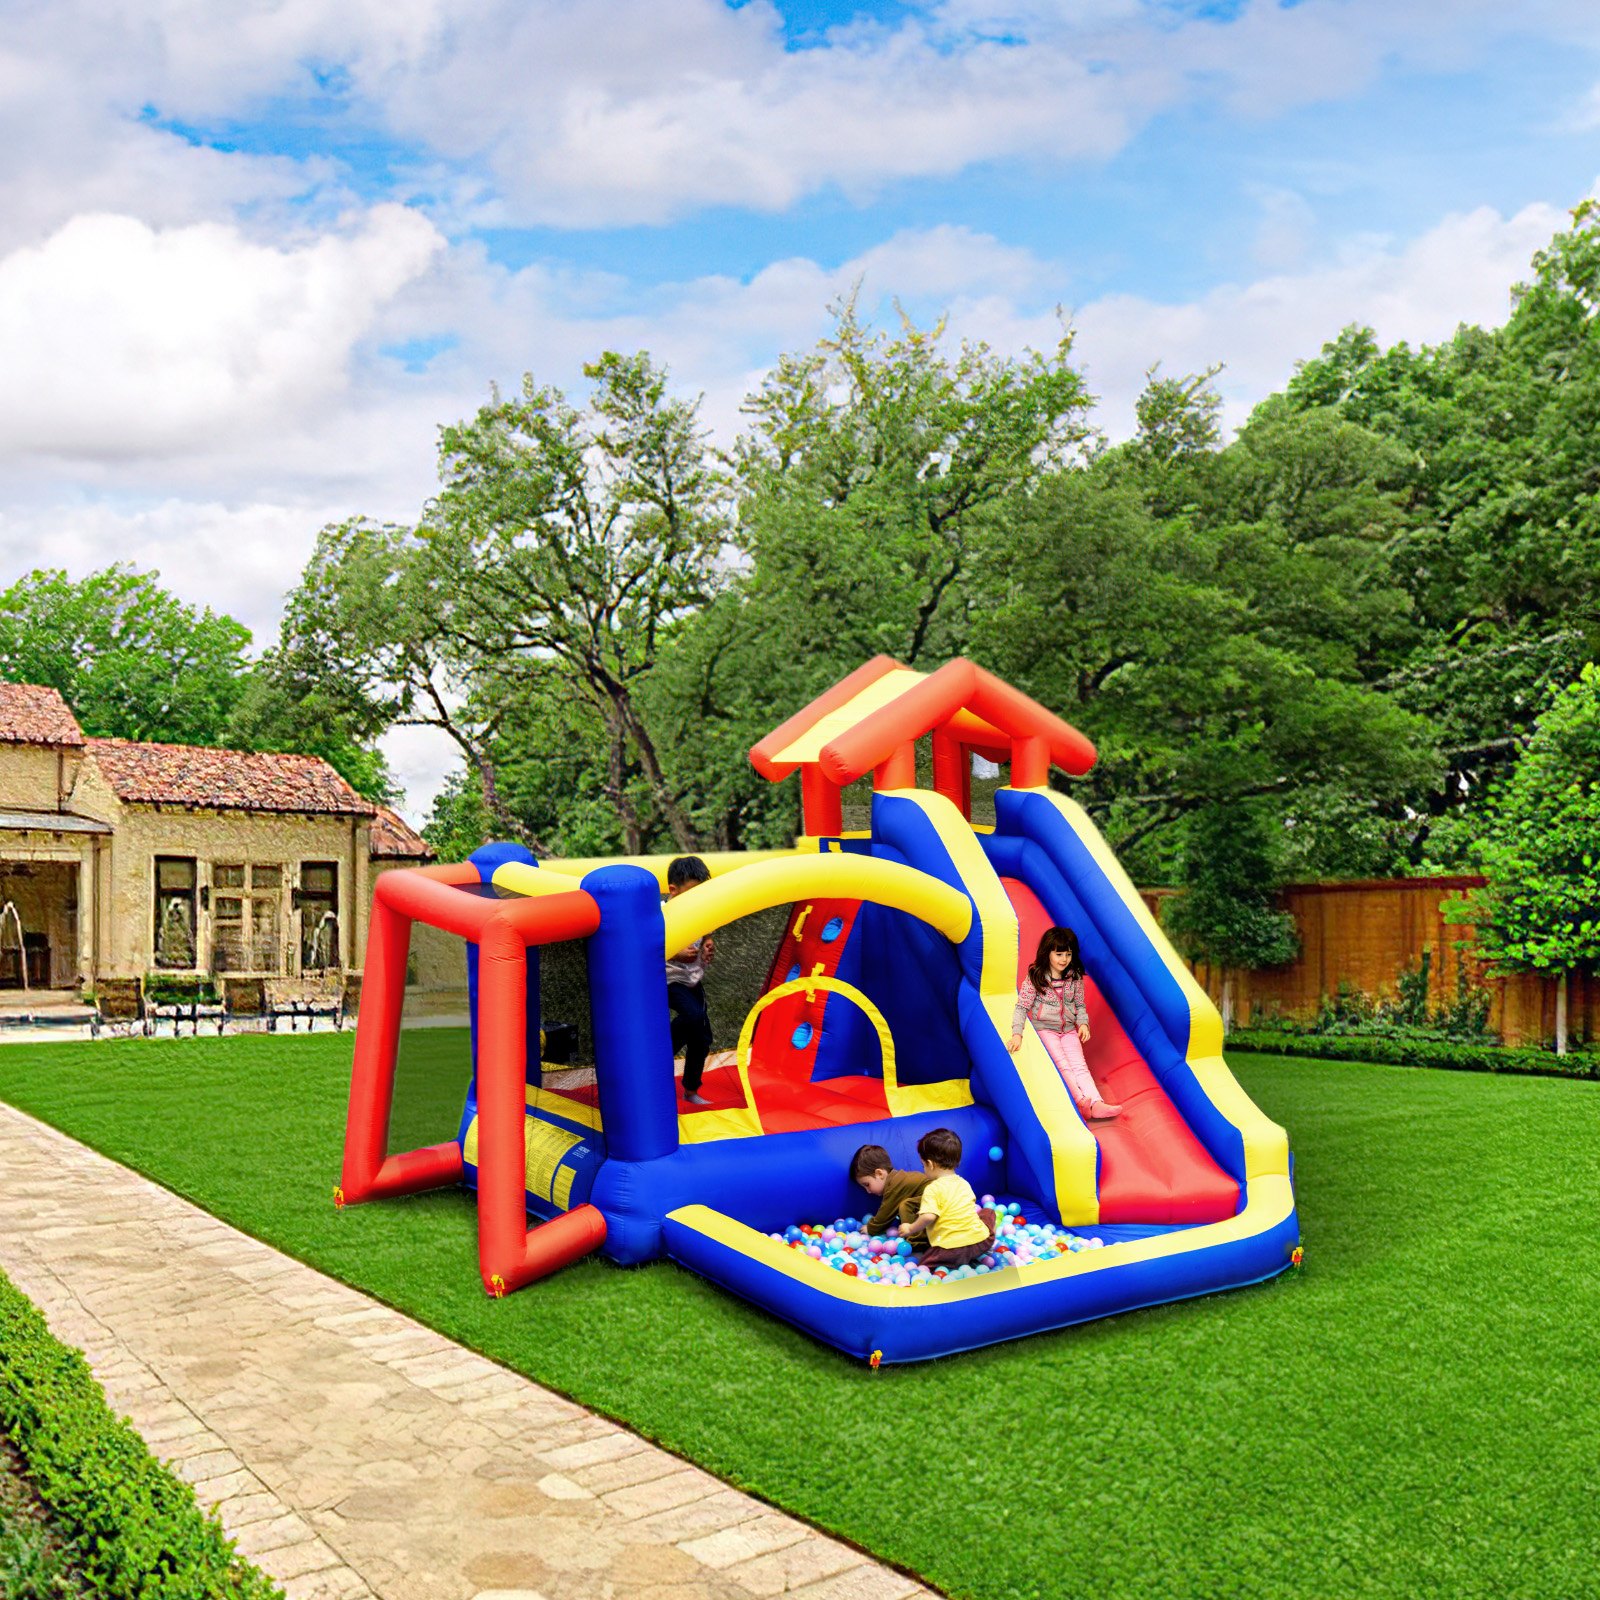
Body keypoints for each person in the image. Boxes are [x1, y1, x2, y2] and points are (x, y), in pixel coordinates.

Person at [1008, 926, 1122, 1121]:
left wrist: (1083, 1024)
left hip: (1068, 1030)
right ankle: (1080, 1101)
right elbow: (1021, 1007)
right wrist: (1017, 1034)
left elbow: (1079, 1005)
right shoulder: (1035, 977)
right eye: (1058, 954)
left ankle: (1096, 1103)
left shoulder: (1074, 977)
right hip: (1045, 1029)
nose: (1063, 959)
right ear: (1048, 953)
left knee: (1080, 1066)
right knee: (1064, 1066)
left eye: (1068, 954)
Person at [901, 1128, 997, 1269]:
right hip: (980, 1242)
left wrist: (910, 1228)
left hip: (950, 1250)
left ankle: (956, 1261)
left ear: (930, 1164)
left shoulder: (932, 1189)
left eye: (923, 1165)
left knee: (923, 1266)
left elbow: (928, 1217)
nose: (923, 1169)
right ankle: (975, 1257)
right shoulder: (964, 1183)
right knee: (988, 1213)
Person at [665, 856, 716, 1106]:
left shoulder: (699, 910)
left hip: (692, 979)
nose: (698, 897)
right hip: (669, 979)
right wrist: (675, 952)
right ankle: (660, 1056)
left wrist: (708, 941)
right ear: (674, 890)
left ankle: (690, 1090)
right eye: (692, 892)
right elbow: (648, 945)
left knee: (703, 1038)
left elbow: (707, 929)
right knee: (694, 1017)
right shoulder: (662, 913)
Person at [849, 1143, 930, 1236]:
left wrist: (871, 1228)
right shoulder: (897, 1179)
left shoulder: (895, 1186)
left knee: (906, 1206)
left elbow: (885, 1214)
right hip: (932, 1203)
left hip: (938, 1202)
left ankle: (917, 1242)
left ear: (879, 1174)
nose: (868, 1191)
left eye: (867, 1184)